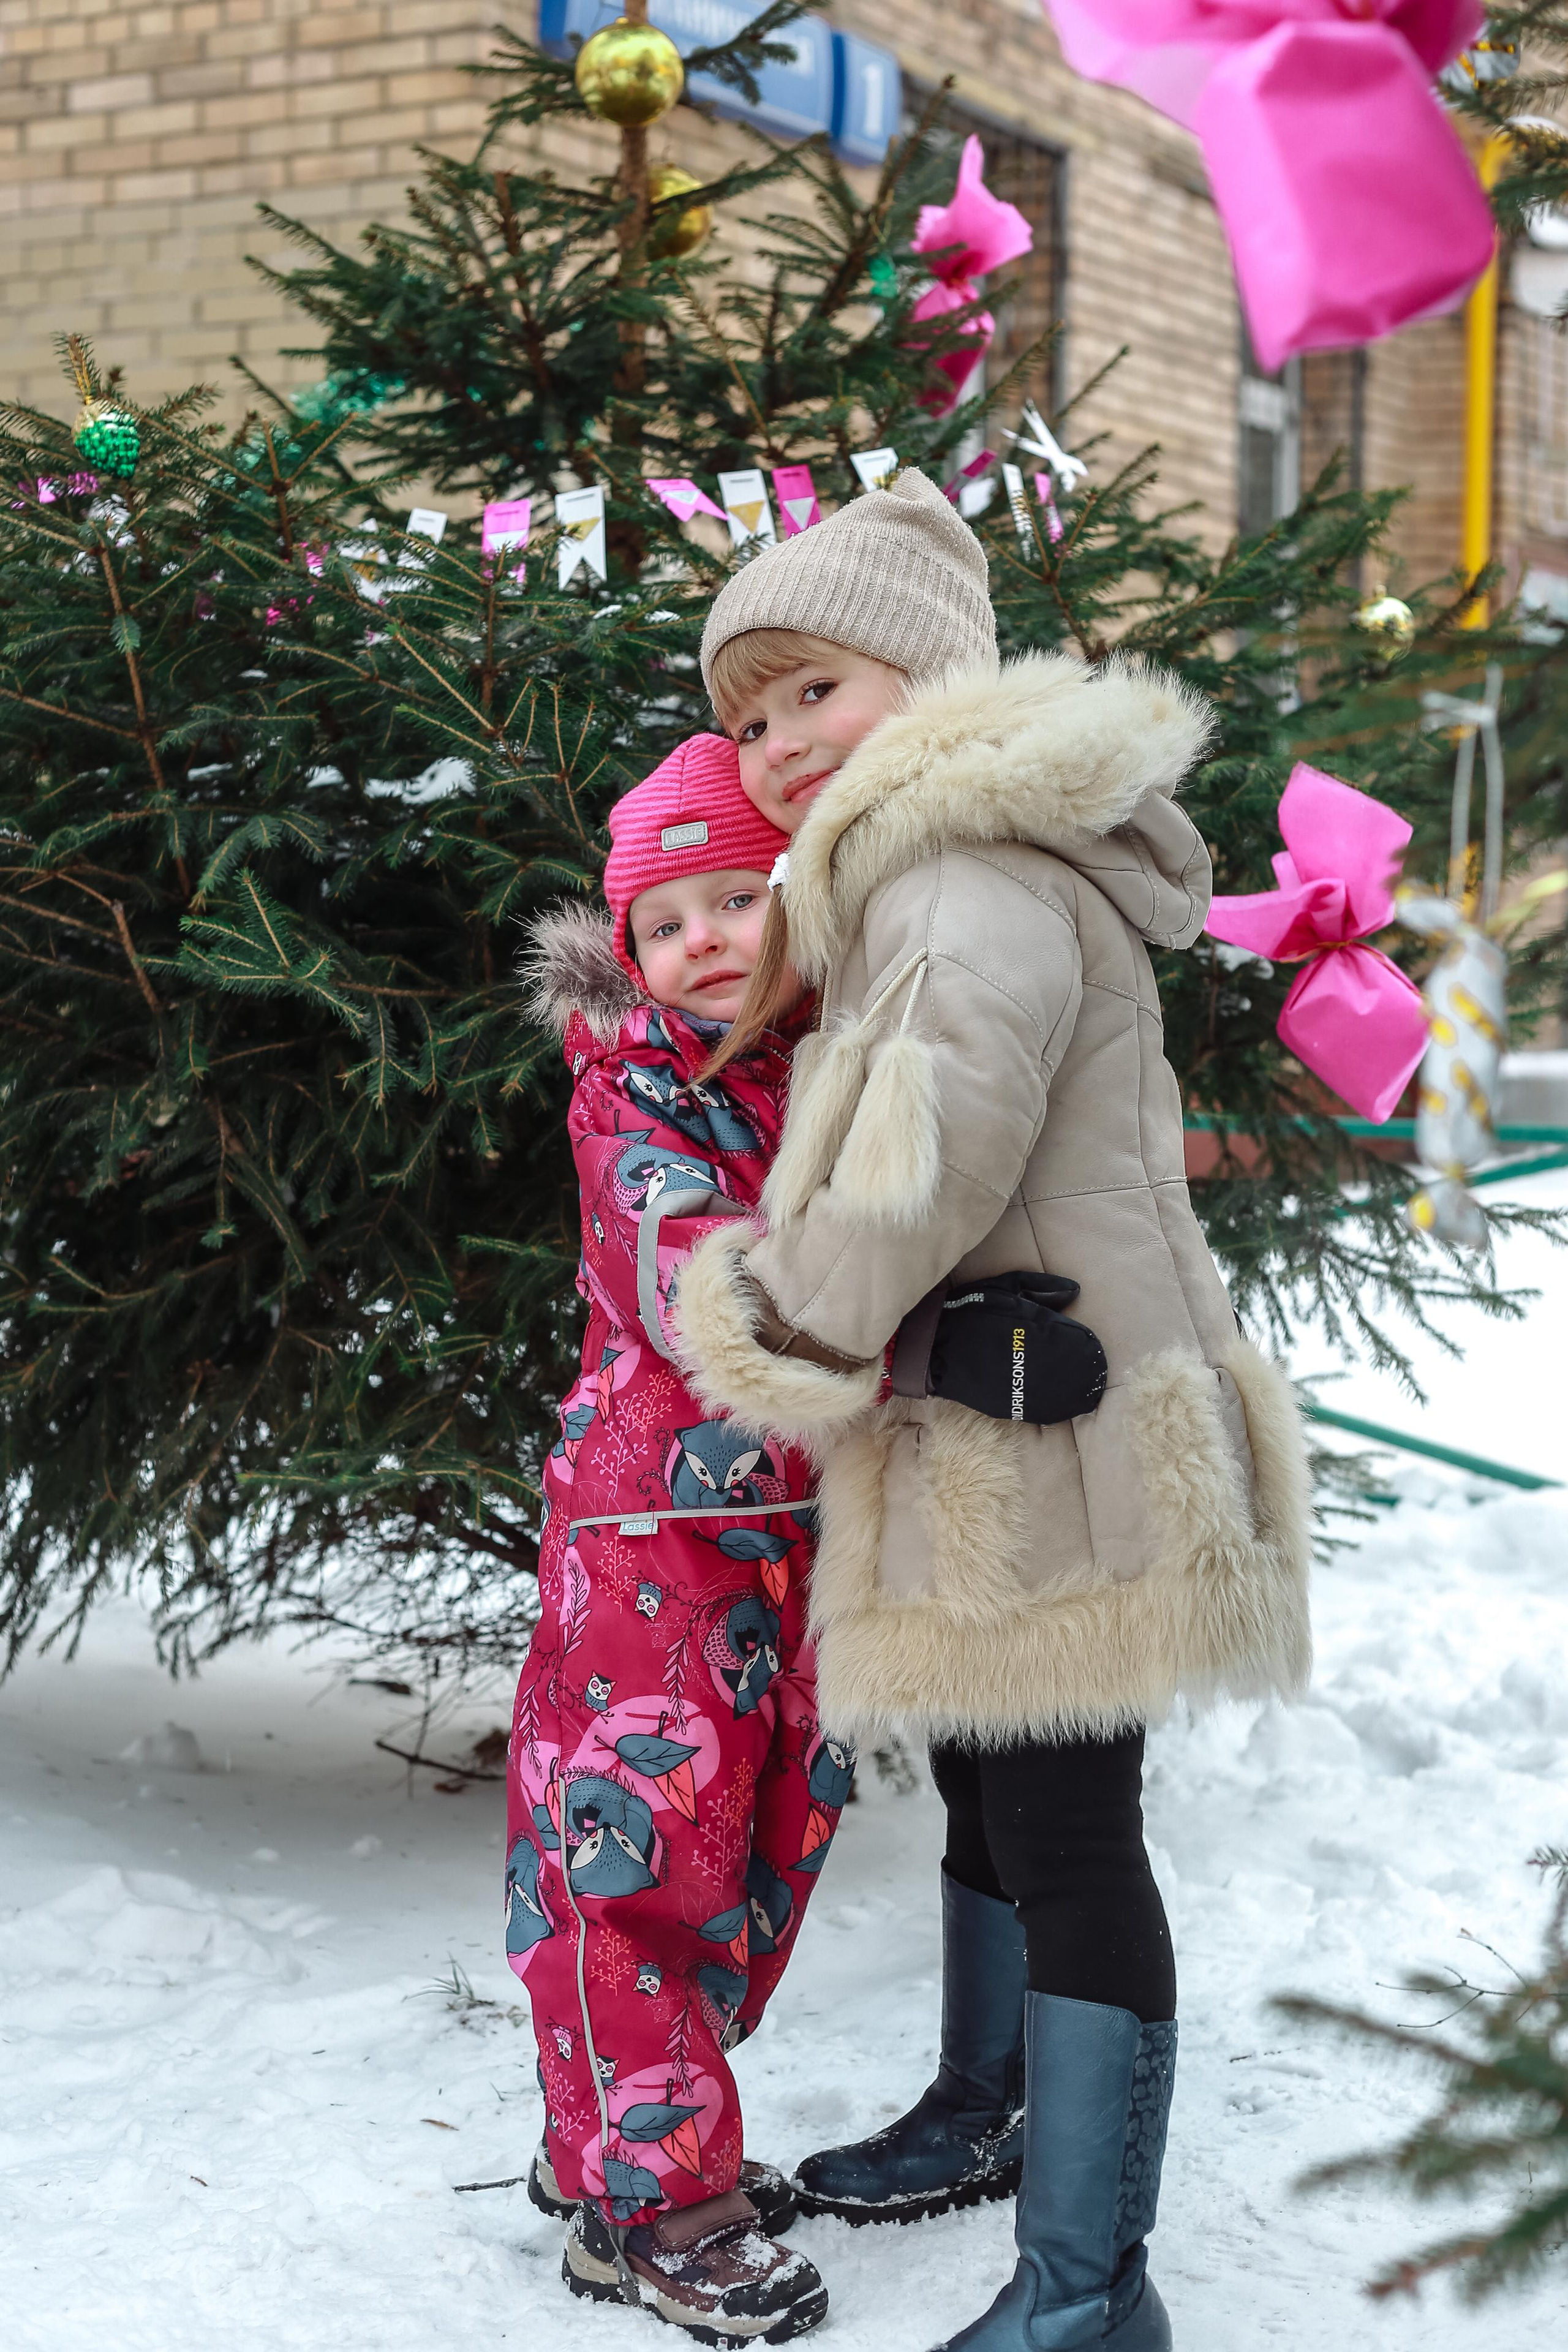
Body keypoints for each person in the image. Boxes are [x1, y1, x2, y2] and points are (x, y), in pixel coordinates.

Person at [671, 469, 1314, 2350]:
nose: (779, 745)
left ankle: (1089, 2289)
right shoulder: (934, 862)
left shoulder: (953, 874)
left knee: (1066, 1827)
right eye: (749, 713)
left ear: (928, 674)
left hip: (1067, 1425)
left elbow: (916, 1172)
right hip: (1011, 1405)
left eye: (816, 692)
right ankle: (988, 2109)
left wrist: (762, 1316)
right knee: (995, 1772)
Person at [507, 734, 842, 2346]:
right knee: (638, 1856)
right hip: (652, 1533)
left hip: (783, 1535)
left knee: (766, 1839)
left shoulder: (818, 1065)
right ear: (627, 956)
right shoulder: (637, 1082)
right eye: (667, 920)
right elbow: (704, 1283)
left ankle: (619, 2141)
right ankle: (655, 2197)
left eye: (738, 898)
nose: (702, 939)